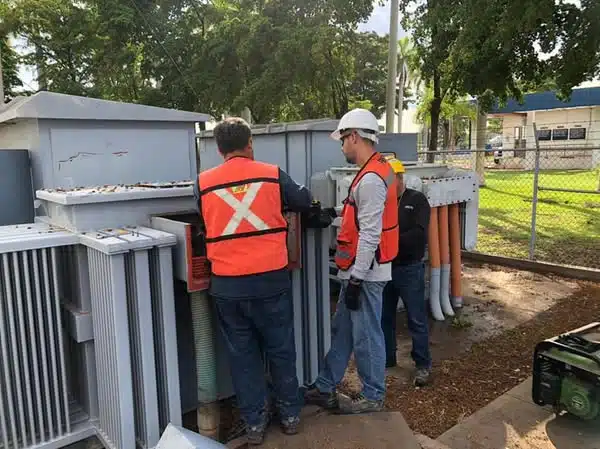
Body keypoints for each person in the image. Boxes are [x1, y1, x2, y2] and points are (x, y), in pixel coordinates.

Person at [194, 117, 314, 445]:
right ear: (250, 144)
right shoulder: (272, 174)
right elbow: (303, 201)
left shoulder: (203, 183)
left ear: (219, 150)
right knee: (280, 349)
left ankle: (254, 425)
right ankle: (289, 415)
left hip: (228, 287)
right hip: (270, 282)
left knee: (243, 357)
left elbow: (204, 219)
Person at [304, 108, 399, 414]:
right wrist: (332, 212)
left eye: (343, 139)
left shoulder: (370, 179)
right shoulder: (376, 168)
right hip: (360, 271)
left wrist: (357, 278)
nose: (342, 146)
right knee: (343, 330)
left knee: (366, 335)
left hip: (366, 274)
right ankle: (325, 386)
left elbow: (370, 233)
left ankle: (373, 396)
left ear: (355, 137)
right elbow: (362, 215)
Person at [380, 158, 432, 387]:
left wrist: (389, 241)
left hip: (409, 268)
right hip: (385, 268)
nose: (390, 183)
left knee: (416, 318)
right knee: (385, 316)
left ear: (400, 178)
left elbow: (418, 235)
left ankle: (422, 365)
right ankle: (387, 358)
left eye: (393, 179)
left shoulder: (416, 200)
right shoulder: (382, 201)